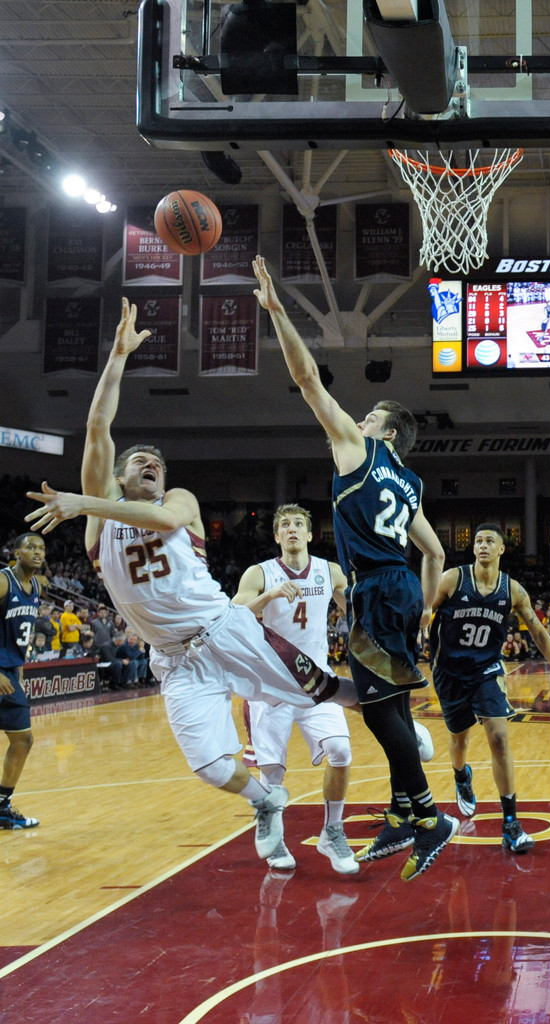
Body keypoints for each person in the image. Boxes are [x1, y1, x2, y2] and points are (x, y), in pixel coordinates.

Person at [25, 297, 357, 865]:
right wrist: (117, 356)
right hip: (175, 659)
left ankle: (403, 731)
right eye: (139, 462)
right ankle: (266, 801)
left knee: (328, 692)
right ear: (117, 477)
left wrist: (82, 502)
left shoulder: (177, 500)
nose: (151, 465)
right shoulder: (102, 518)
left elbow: (165, 521)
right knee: (209, 766)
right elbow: (98, 426)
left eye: (156, 462)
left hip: (225, 630)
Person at [252, 255, 457, 882]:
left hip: (376, 587)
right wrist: (426, 610)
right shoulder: (412, 483)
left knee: (376, 709)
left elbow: (307, 379)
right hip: (400, 586)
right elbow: (436, 553)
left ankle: (429, 817)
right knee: (392, 703)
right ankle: (400, 813)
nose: (358, 420)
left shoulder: (363, 450)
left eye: (369, 418)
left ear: (386, 434)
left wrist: (278, 311)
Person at [429, 524, 550, 853]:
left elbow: (538, 632)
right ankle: (461, 775)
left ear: (501, 549)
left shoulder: (512, 590)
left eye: (489, 541)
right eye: (478, 541)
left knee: (498, 737)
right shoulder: (453, 579)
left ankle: (511, 823)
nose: (482, 545)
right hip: (449, 671)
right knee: (459, 740)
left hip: (487, 668)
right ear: (474, 549)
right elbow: (426, 610)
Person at [234, 503, 359, 875]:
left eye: (299, 524)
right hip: (271, 685)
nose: (292, 529)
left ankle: (332, 832)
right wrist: (269, 597)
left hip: (316, 682)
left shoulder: (328, 570)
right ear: (277, 536)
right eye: (285, 524)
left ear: (309, 534)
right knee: (272, 771)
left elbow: (357, 612)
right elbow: (232, 617)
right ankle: (273, 835)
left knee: (341, 751)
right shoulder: (260, 573)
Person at [0, 532, 46, 829]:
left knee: (23, 740)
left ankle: (2, 807)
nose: (38, 552)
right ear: (16, 553)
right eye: (30, 547)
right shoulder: (4, 581)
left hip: (9, 672)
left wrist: (18, 671)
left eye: (42, 548)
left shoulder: (36, 586)